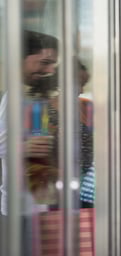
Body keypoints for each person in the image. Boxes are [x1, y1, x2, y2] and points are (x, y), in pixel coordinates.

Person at [0, 30, 59, 215]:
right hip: (19, 209)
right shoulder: (13, 97)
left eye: (52, 65)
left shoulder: (34, 98)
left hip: (38, 203)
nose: (50, 71)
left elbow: (39, 145)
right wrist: (25, 147)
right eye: (44, 63)